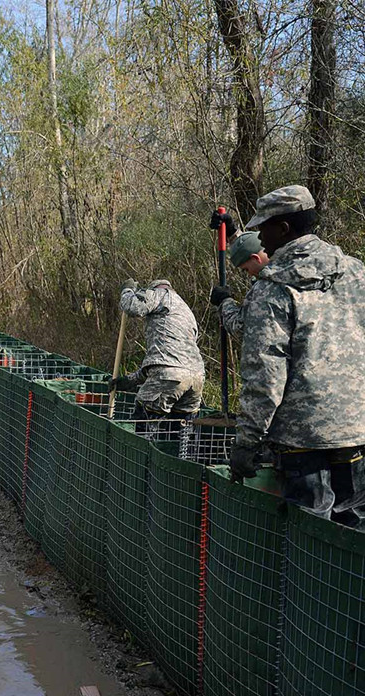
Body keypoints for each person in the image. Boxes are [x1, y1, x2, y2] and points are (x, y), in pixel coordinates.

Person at [229, 185, 365, 527]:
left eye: (264, 229)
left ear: (283, 229)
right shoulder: (356, 273)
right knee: (353, 538)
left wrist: (247, 441)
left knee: (310, 536)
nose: (260, 239)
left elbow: (265, 376)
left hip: (301, 439)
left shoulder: (271, 289)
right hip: (356, 427)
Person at [116, 279, 205, 421]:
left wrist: (127, 291)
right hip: (196, 378)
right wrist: (129, 380)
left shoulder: (160, 294)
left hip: (169, 375)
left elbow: (134, 307)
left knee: (143, 424)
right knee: (179, 435)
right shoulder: (186, 311)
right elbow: (171, 363)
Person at [209, 231, 270, 337]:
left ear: (256, 258)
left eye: (246, 269)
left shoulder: (265, 289)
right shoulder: (289, 264)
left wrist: (225, 302)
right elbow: (250, 244)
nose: (250, 274)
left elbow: (242, 328)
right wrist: (233, 233)